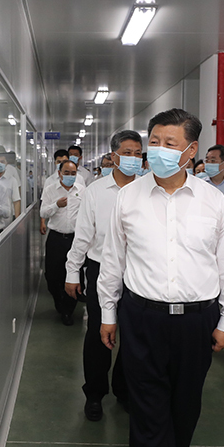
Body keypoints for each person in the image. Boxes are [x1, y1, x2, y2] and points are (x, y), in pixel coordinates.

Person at [98, 109, 224, 447]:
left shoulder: (213, 201)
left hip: (197, 321)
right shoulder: (129, 197)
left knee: (184, 408)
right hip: (142, 318)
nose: (158, 150)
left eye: (169, 143)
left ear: (191, 150)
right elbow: (113, 258)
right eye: (154, 141)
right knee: (148, 415)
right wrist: (108, 312)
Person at [64, 130, 142, 421]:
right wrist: (73, 271)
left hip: (138, 272)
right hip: (100, 269)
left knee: (132, 336)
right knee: (99, 333)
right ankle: (95, 394)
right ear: (113, 155)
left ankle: (124, 390)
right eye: (127, 153)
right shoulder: (96, 191)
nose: (133, 158)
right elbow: (83, 235)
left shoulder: (148, 189)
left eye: (138, 153)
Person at [41, 159, 85, 325]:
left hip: (75, 239)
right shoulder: (50, 190)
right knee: (52, 276)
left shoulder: (82, 191)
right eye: (66, 173)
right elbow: (43, 212)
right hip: (56, 238)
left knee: (74, 275)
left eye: (73, 173)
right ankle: (59, 301)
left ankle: (68, 311)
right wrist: (56, 205)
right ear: (59, 173)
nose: (70, 176)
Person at [41, 149, 71, 236]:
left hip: (75, 231)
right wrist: (42, 222)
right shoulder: (49, 181)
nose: (61, 164)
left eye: (64, 161)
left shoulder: (79, 179)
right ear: (55, 163)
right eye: (59, 162)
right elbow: (44, 203)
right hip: (56, 228)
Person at [0, 154, 21, 230]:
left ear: (6, 163)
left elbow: (16, 201)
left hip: (6, 222)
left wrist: (17, 221)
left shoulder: (12, 180)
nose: (0, 164)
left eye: (2, 161)